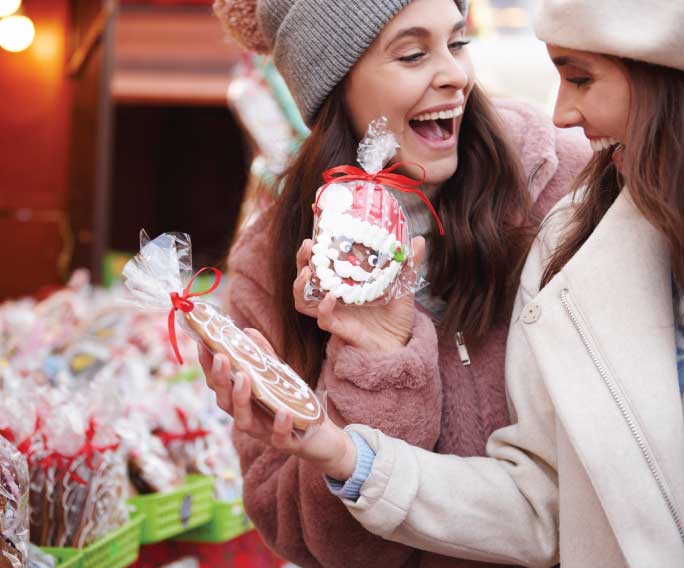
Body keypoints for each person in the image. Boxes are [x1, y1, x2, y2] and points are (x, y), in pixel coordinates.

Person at [205, 0, 684, 566]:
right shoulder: (274, 260)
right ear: (334, 86)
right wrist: (374, 376)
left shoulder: (574, 185)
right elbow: (316, 542)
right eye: (412, 53)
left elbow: (564, 494)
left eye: (458, 44)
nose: (455, 74)